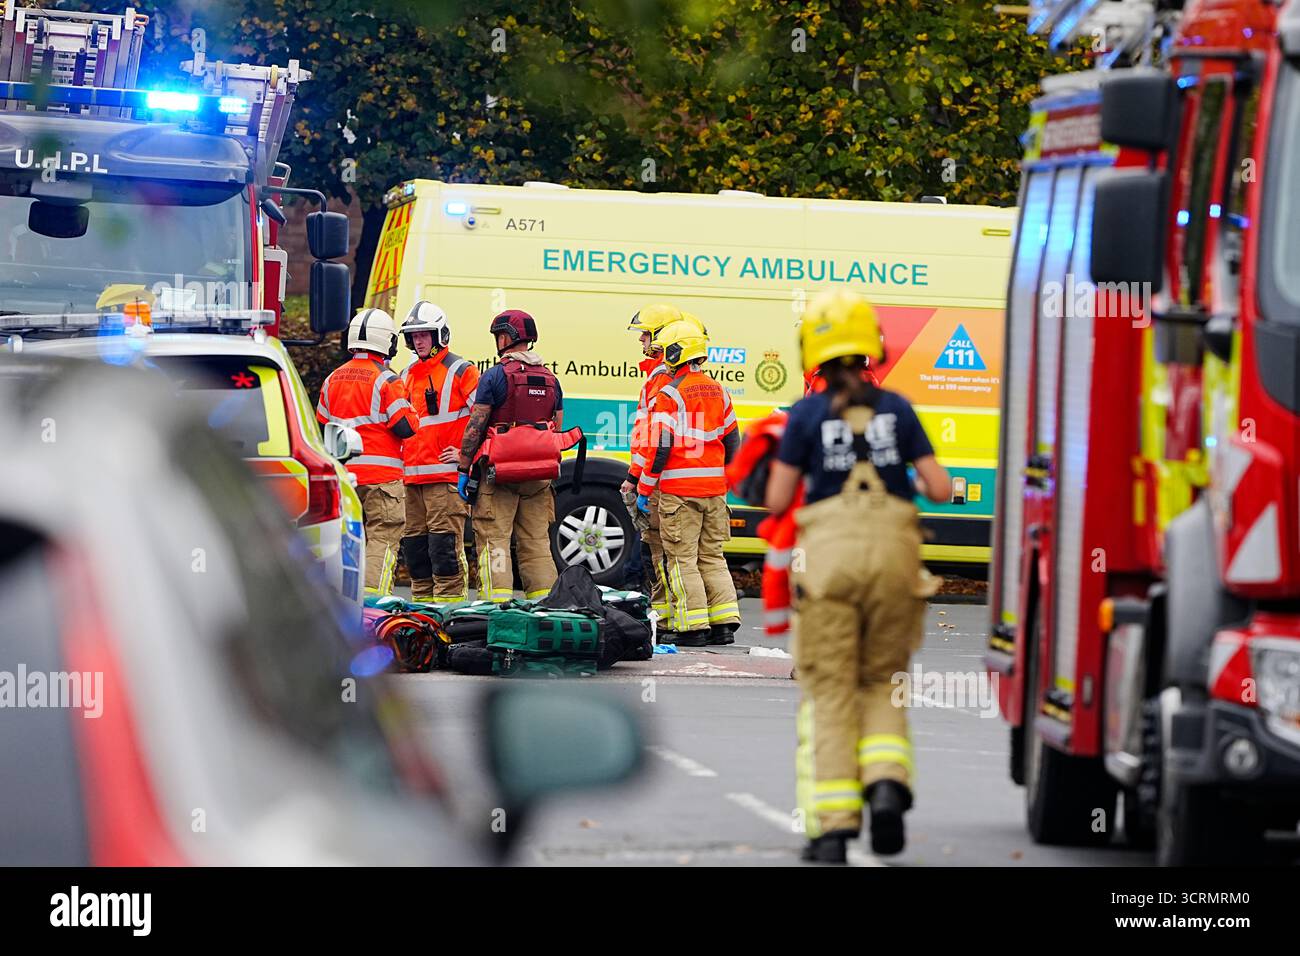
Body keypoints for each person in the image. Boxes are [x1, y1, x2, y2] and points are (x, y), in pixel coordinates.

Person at [765, 290, 950, 863]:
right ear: (871, 348)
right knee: (882, 680)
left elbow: (776, 502)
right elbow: (940, 489)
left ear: (813, 354)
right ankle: (887, 784)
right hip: (896, 560)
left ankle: (834, 830)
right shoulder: (898, 408)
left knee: (831, 690)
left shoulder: (805, 414)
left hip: (830, 564)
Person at [635, 317, 741, 646]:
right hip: (714, 491)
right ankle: (724, 621)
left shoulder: (671, 392)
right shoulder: (718, 389)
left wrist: (644, 487)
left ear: (676, 352)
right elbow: (733, 439)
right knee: (711, 556)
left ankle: (692, 626)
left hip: (680, 492)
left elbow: (661, 444)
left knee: (682, 559)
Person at [457, 309, 563, 602]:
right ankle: (545, 607)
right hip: (539, 478)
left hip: (498, 474)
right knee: (536, 543)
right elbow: (556, 428)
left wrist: (464, 469)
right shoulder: (551, 379)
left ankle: (497, 606)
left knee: (496, 543)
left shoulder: (494, 376)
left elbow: (475, 427)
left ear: (505, 337)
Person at [316, 308, 417, 595]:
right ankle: (373, 600)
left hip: (343, 477)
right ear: (387, 341)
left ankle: (341, 598)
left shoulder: (332, 378)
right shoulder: (387, 380)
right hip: (382, 479)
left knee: (344, 540)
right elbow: (405, 426)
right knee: (382, 537)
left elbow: (322, 424)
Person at [398, 301, 480, 603]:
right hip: (411, 480)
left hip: (444, 479)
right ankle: (422, 615)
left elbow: (484, 419)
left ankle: (449, 614)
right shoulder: (406, 374)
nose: (418, 341)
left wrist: (464, 454)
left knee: (444, 551)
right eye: (414, 336)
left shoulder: (462, 371)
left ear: (439, 335)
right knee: (417, 555)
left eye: (424, 335)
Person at [621, 302, 685, 628]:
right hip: (652, 475)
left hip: (657, 479)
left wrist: (640, 478)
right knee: (658, 548)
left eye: (646, 335)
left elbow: (656, 437)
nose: (641, 341)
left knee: (657, 549)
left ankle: (666, 615)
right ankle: (669, 613)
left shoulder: (662, 380)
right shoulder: (659, 377)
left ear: (661, 336)